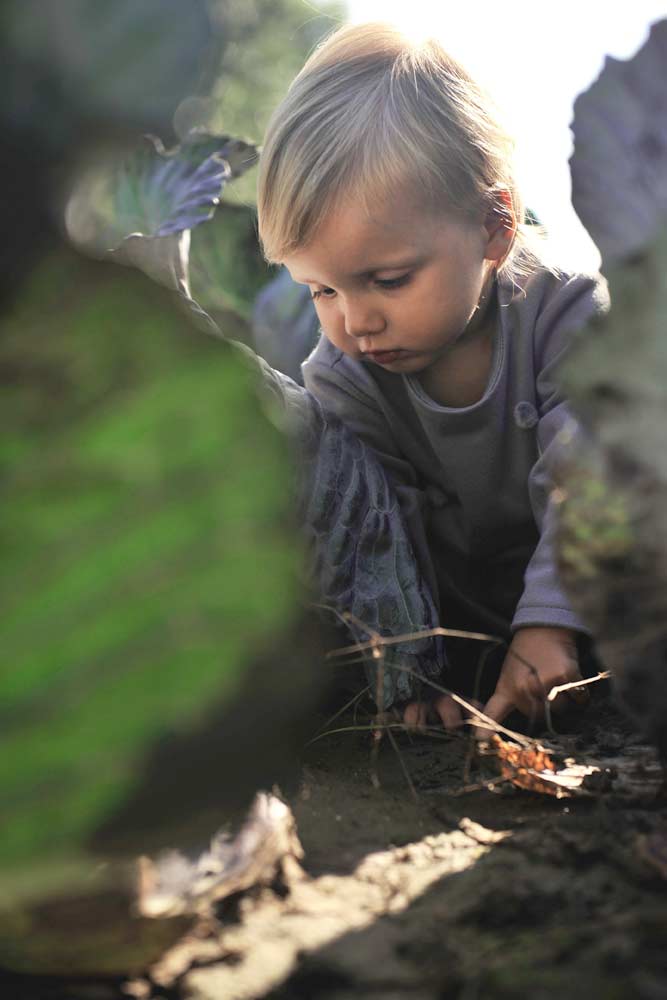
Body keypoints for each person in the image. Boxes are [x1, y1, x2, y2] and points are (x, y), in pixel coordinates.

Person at [256, 22, 609, 734]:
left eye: (386, 280)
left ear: (493, 226)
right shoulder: (346, 378)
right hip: (472, 643)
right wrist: (406, 674)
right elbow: (373, 545)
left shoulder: (566, 316)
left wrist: (551, 621)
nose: (354, 322)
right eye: (319, 290)